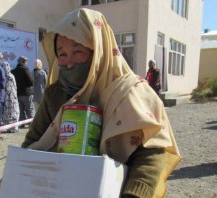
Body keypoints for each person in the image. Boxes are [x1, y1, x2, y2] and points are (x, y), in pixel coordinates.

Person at [20, 8, 181, 198]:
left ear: (99, 50)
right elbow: (33, 142)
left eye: (77, 51)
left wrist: (135, 193)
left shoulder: (133, 92)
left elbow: (154, 152)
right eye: (62, 54)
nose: (69, 63)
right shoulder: (55, 94)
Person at [11, 56, 34, 127]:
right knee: (29, 108)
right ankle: (31, 123)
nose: (27, 63)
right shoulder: (25, 69)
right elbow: (31, 81)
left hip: (17, 93)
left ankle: (22, 123)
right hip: (26, 93)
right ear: (24, 62)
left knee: (20, 109)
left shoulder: (13, 71)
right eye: (26, 62)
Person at [1, 62, 19, 133]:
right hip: (11, 97)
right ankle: (13, 128)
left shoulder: (4, 76)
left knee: (9, 112)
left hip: (7, 97)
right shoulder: (10, 76)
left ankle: (10, 127)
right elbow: (13, 87)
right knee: (13, 112)